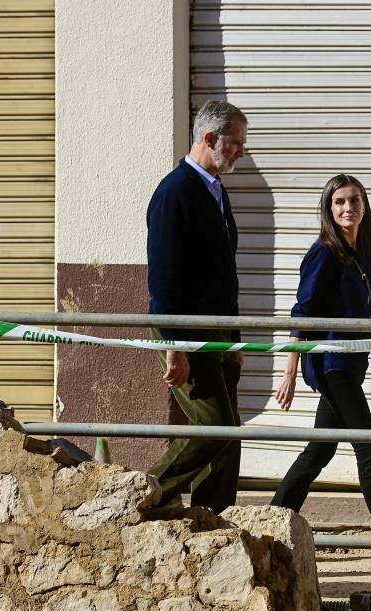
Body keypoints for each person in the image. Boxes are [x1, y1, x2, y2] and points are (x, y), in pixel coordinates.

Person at [270, 174, 371, 566]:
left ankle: (272, 521)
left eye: (354, 200)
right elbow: (302, 313)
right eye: (340, 201)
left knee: (320, 449)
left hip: (352, 363)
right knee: (368, 447)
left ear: (364, 206)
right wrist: (290, 369)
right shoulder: (324, 253)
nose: (348, 208)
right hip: (331, 366)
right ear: (329, 209)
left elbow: (360, 318)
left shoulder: (362, 257)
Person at [145, 100, 248, 514]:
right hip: (187, 330)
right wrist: (174, 342)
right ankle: (143, 494)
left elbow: (223, 271)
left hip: (218, 331)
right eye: (236, 143)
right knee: (215, 428)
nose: (242, 150)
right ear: (209, 138)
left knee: (228, 438)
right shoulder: (175, 193)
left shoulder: (215, 190)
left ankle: (213, 521)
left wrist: (235, 340)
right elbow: (164, 275)